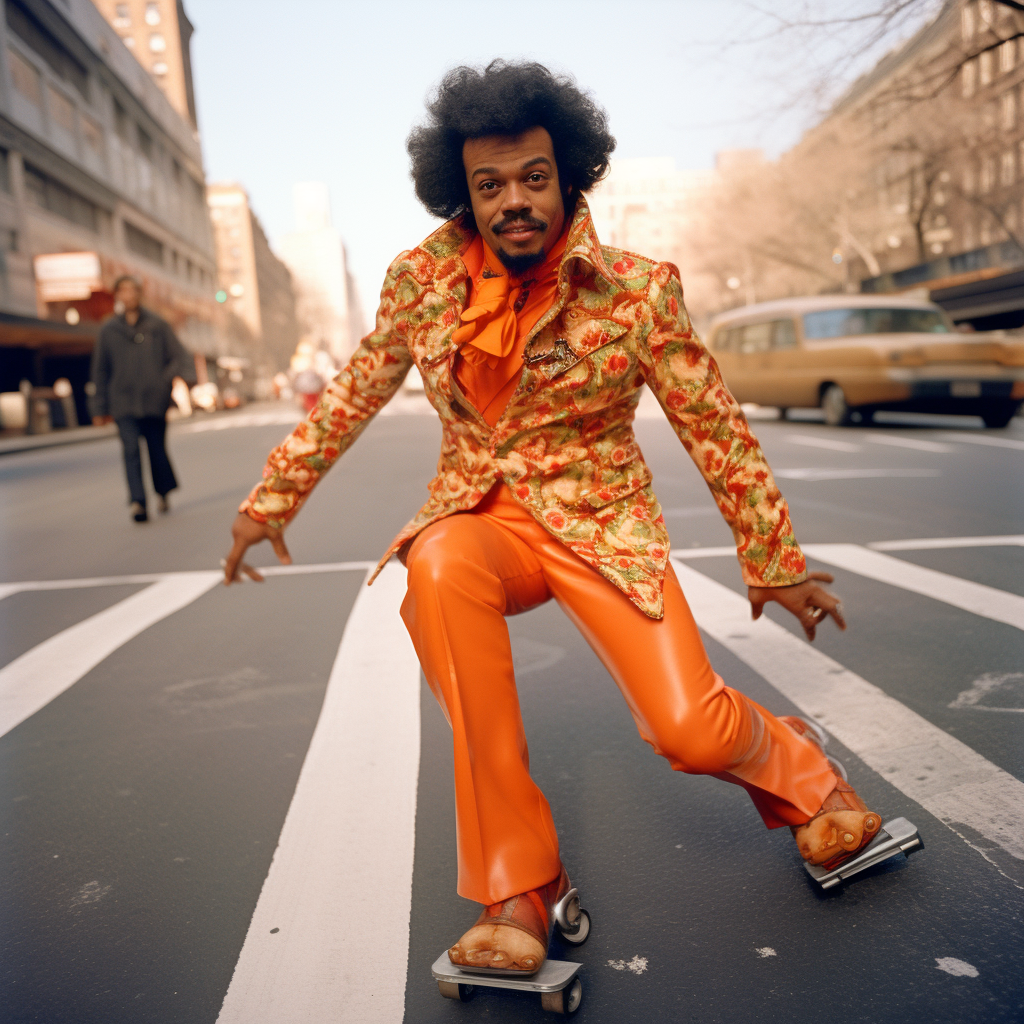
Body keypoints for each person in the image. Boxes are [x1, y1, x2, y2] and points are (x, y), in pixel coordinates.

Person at [223, 62, 883, 976]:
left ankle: (809, 775)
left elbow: (716, 429)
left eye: (533, 177)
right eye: (488, 185)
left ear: (568, 174)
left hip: (600, 524)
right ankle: (519, 885)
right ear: (463, 193)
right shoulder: (421, 281)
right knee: (438, 562)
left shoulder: (636, 290)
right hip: (480, 527)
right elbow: (353, 391)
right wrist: (270, 500)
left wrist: (772, 557)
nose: (513, 202)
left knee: (687, 731)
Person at [90, 275, 196, 522]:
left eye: (132, 291)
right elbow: (100, 370)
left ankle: (162, 493)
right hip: (122, 401)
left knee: (156, 449)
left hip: (154, 400)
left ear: (139, 294)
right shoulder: (109, 330)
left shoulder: (157, 325)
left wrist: (164, 380)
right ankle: (138, 502)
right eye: (123, 291)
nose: (128, 296)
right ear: (117, 295)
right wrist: (99, 407)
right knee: (130, 451)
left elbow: (179, 357)